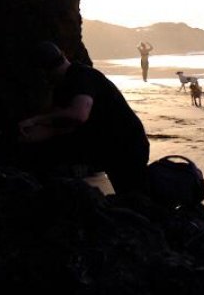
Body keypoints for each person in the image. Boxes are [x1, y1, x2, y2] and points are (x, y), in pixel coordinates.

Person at [17, 41, 150, 194]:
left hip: (128, 147)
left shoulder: (82, 75)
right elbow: (65, 127)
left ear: (44, 71)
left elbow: (79, 114)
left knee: (135, 197)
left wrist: (35, 120)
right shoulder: (63, 86)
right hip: (108, 147)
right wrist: (36, 134)